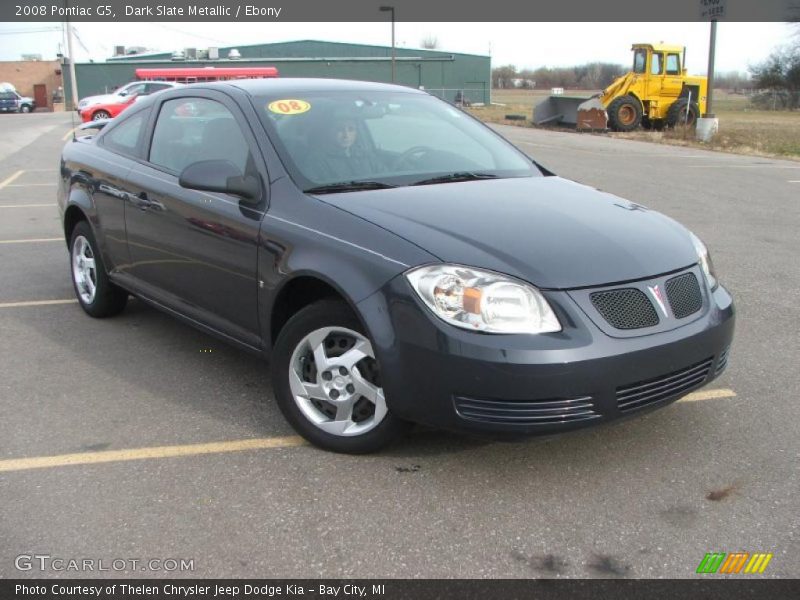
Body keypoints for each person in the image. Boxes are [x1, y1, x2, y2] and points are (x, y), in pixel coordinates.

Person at [305, 116, 383, 183]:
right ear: (330, 132)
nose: (346, 135)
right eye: (340, 129)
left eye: (351, 129)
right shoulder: (318, 159)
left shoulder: (366, 155)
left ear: (357, 132)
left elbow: (383, 176)